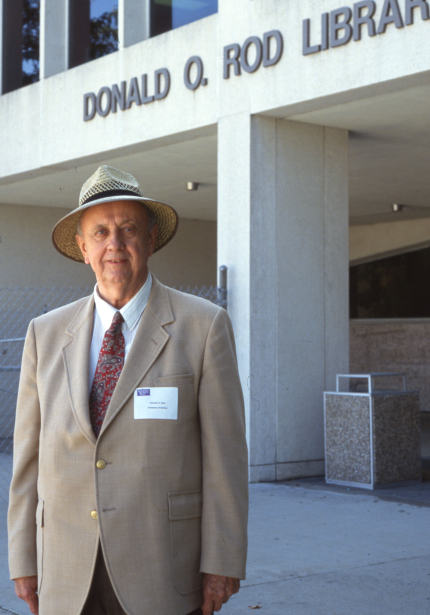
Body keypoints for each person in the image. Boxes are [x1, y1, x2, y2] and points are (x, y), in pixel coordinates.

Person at [8, 166, 248, 615]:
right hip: (65, 570)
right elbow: (27, 461)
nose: (113, 244)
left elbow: (226, 458)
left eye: (127, 229)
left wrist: (223, 559)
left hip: (163, 570)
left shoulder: (203, 326)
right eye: (99, 232)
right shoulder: (45, 334)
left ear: (151, 239)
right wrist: (23, 558)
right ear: (82, 248)